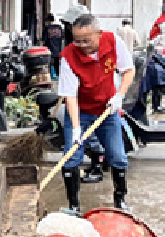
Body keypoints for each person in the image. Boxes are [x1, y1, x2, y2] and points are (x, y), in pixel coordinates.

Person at [57, 14, 135, 212]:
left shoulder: (113, 42)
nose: (81, 45)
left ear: (99, 34)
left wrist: (120, 96)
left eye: (86, 40)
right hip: (80, 111)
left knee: (117, 155)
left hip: (107, 110)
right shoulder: (68, 57)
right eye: (77, 40)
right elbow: (70, 96)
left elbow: (128, 70)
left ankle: (120, 200)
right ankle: (73, 206)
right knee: (72, 157)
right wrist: (76, 128)